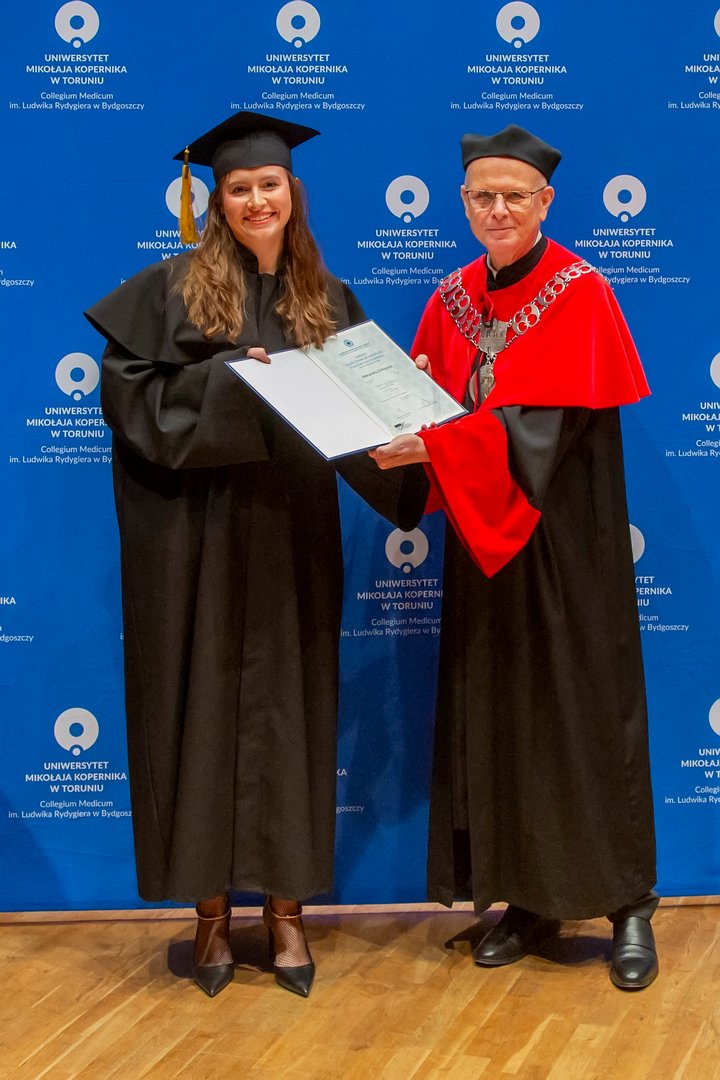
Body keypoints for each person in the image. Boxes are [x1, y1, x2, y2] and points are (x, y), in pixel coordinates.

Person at [85, 111, 426, 999]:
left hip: (289, 531)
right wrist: (232, 381)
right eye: (238, 188)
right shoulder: (168, 290)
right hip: (194, 539)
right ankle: (208, 913)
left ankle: (285, 911)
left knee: (290, 710)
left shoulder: (328, 299)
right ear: (216, 201)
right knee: (191, 703)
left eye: (268, 185)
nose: (255, 200)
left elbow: (365, 421)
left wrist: (412, 445)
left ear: (292, 193)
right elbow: (131, 402)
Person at [370, 124, 659, 990]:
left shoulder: (581, 292)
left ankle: (628, 903)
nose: (498, 209)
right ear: (463, 204)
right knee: (503, 717)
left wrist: (437, 445)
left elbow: (543, 430)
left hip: (566, 549)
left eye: (514, 196)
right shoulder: (452, 297)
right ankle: (531, 900)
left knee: (583, 714)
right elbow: (420, 402)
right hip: (482, 546)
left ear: (545, 202)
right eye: (482, 197)